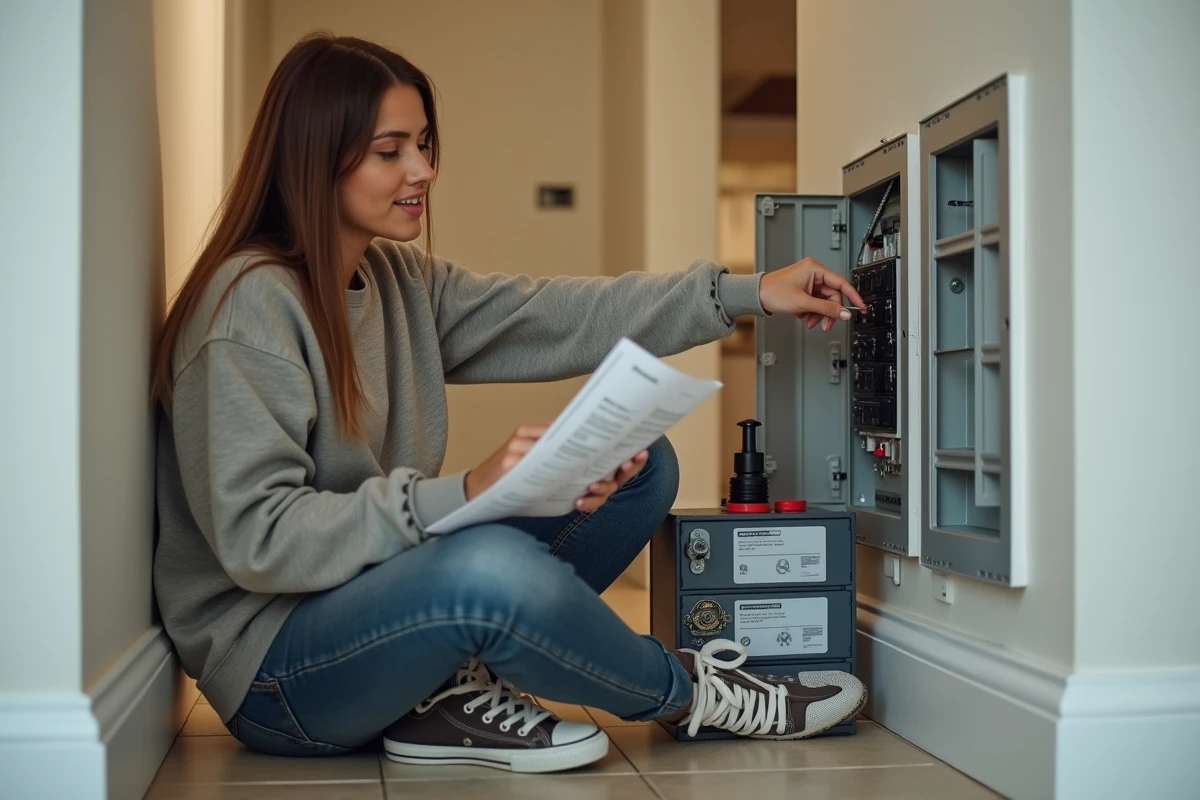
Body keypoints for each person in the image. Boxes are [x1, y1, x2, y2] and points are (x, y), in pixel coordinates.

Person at [150, 33, 869, 775]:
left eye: (424, 144)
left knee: (639, 463)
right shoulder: (247, 309)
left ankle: (440, 687)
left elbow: (557, 315)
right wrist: (459, 495)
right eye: (389, 150)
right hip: (278, 673)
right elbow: (259, 540)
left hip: (369, 601)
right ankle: (696, 695)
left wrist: (746, 294)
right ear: (312, 156)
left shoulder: (398, 280)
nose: (423, 171)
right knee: (484, 566)